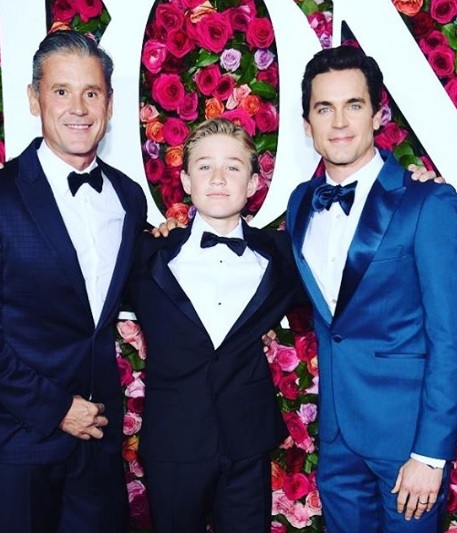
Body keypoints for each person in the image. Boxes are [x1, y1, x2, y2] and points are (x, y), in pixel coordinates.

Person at [0, 30, 147, 532]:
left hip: (97, 446)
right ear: (34, 99)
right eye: (61, 91)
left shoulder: (128, 197)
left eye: (91, 92)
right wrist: (56, 409)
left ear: (109, 103)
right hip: (17, 447)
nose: (78, 108)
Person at [285, 45, 457, 532]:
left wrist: (430, 454)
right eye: (323, 108)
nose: (339, 122)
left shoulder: (428, 203)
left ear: (376, 115)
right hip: (337, 441)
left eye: (353, 105)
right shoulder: (301, 202)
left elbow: (453, 338)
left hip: (408, 444)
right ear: (307, 124)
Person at [125, 118, 305, 533]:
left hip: (247, 444)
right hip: (173, 442)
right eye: (205, 166)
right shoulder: (146, 255)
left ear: (254, 183)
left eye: (233, 167)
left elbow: (352, 259)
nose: (219, 178)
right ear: (186, 180)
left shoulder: (283, 256)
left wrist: (416, 186)